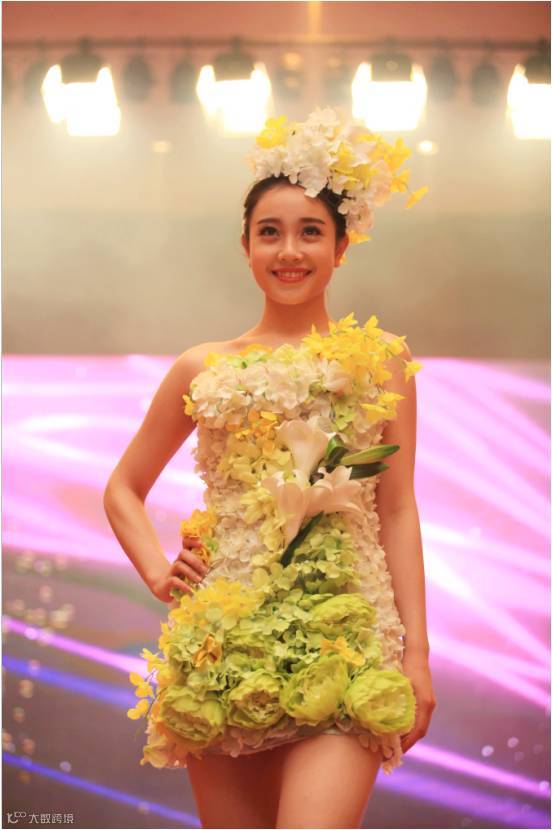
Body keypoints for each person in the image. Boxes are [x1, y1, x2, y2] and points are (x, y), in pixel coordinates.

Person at [103, 107, 436, 829]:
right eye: (270, 232)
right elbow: (123, 488)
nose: (289, 250)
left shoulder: (381, 362)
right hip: (225, 650)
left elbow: (397, 508)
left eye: (310, 232)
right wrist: (159, 572)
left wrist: (418, 654)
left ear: (342, 246)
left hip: (350, 640)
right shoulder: (203, 366)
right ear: (247, 246)